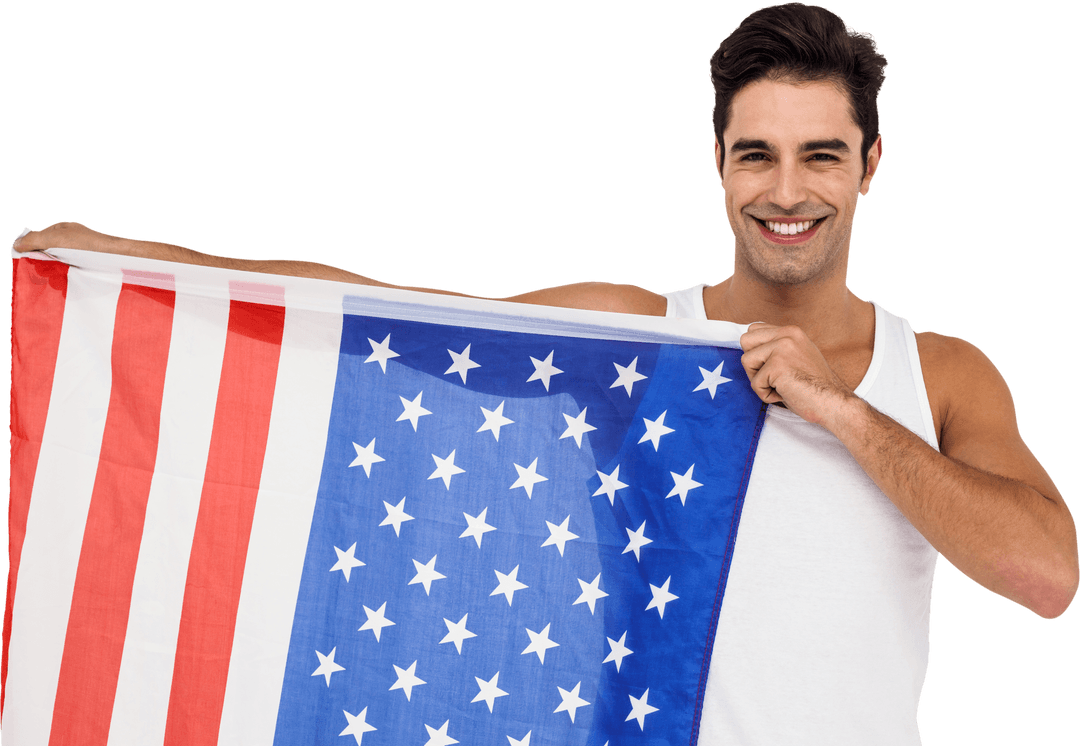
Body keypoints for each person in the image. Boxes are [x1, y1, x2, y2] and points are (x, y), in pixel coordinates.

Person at [13, 2, 1077, 742]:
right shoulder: (636, 333)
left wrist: (836, 406)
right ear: (718, 163)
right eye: (756, 153)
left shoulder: (937, 370)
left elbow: (1047, 576)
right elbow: (386, 314)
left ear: (870, 165)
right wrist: (157, 267)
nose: (785, 189)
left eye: (820, 154)